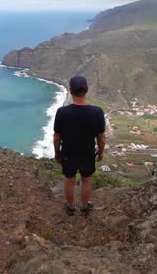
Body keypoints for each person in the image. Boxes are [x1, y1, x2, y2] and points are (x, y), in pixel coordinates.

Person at [53, 76, 105, 216]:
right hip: (87, 153)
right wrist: (100, 153)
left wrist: (57, 153)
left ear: (70, 91)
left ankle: (70, 207)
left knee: (69, 180)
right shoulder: (97, 112)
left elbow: (57, 137)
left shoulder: (62, 112)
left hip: (68, 153)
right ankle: (84, 207)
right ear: (87, 90)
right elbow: (101, 138)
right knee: (86, 180)